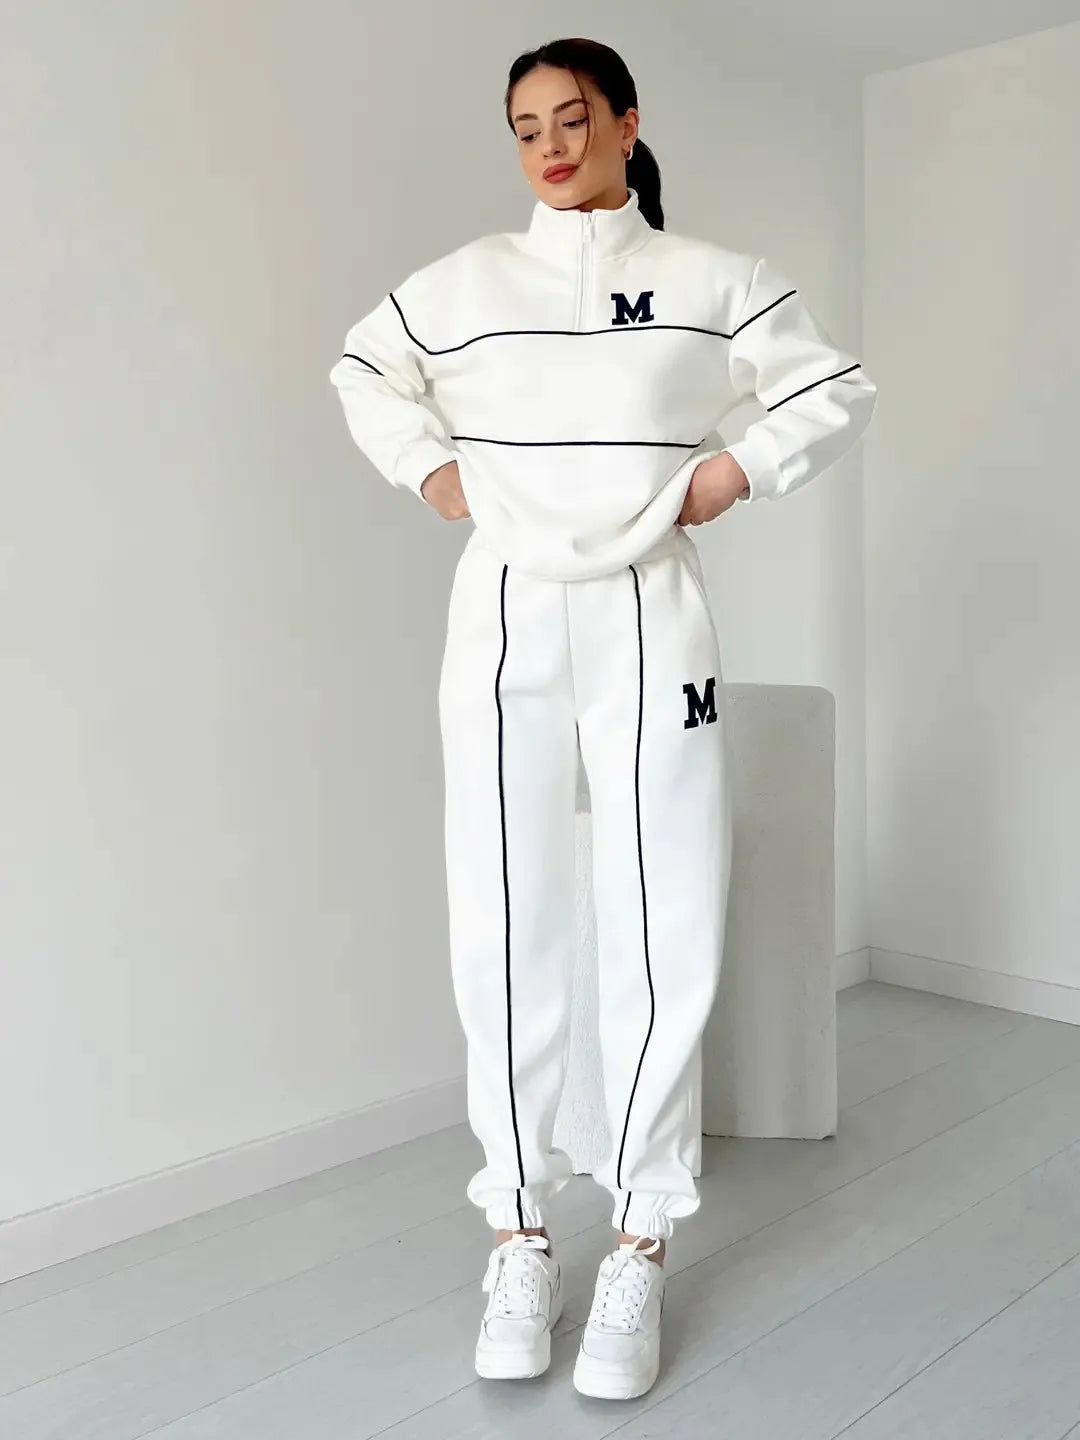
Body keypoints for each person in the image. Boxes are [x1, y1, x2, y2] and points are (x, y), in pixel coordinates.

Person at [330, 36, 877, 1401]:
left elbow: (832, 386)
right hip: (504, 611)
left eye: (573, 119)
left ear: (628, 123)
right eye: (526, 127)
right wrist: (433, 473)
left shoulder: (713, 281)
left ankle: (640, 1236)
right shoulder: (468, 284)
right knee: (502, 907)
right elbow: (362, 369)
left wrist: (732, 474)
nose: (550, 146)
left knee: (660, 902)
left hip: (649, 609)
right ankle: (518, 1230)